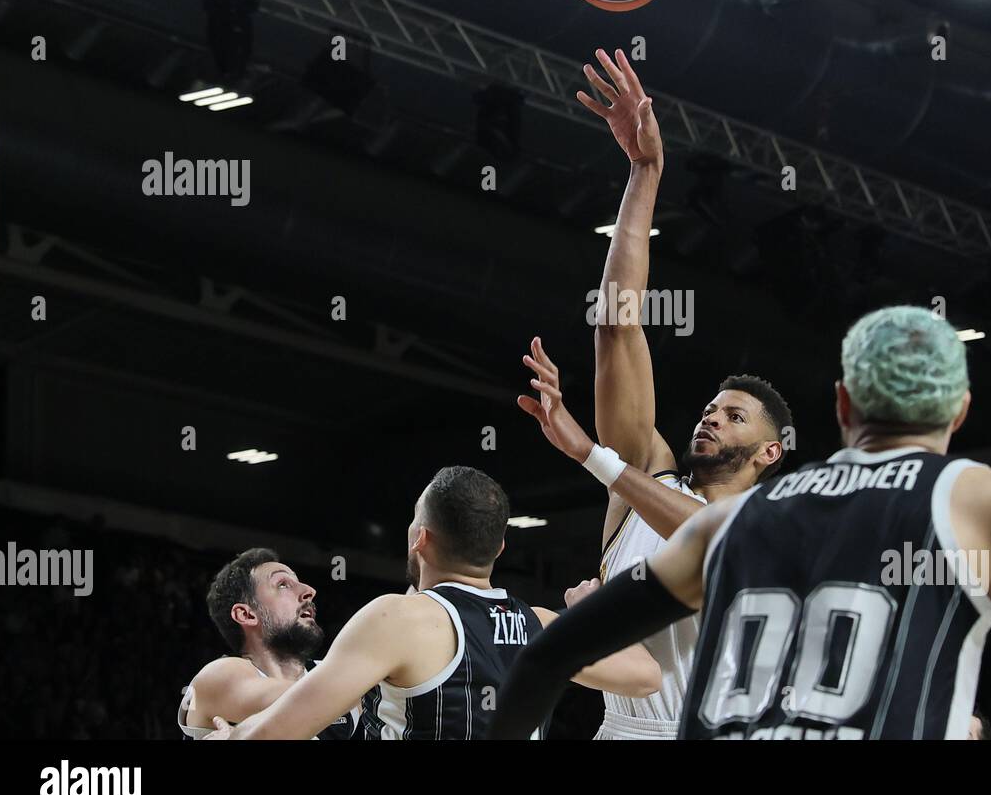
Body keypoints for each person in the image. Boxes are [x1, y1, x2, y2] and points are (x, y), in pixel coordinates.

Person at [489, 305, 991, 740]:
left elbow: (553, 652)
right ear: (962, 410)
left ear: (841, 409)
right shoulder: (984, 501)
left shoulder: (733, 524)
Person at [541, 48, 791, 739]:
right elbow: (618, 327)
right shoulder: (642, 482)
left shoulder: (771, 526)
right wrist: (644, 174)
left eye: (733, 416)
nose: (711, 417)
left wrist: (594, 458)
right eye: (711, 407)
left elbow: (710, 538)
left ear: (770, 451)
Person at [208, 466, 659, 739]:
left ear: (420, 538)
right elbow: (646, 676)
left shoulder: (397, 619)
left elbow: (281, 730)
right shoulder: (539, 625)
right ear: (499, 548)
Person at [178, 548, 359, 740]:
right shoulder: (217, 677)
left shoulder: (332, 676)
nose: (309, 591)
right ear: (246, 614)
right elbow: (319, 698)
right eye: (283, 585)